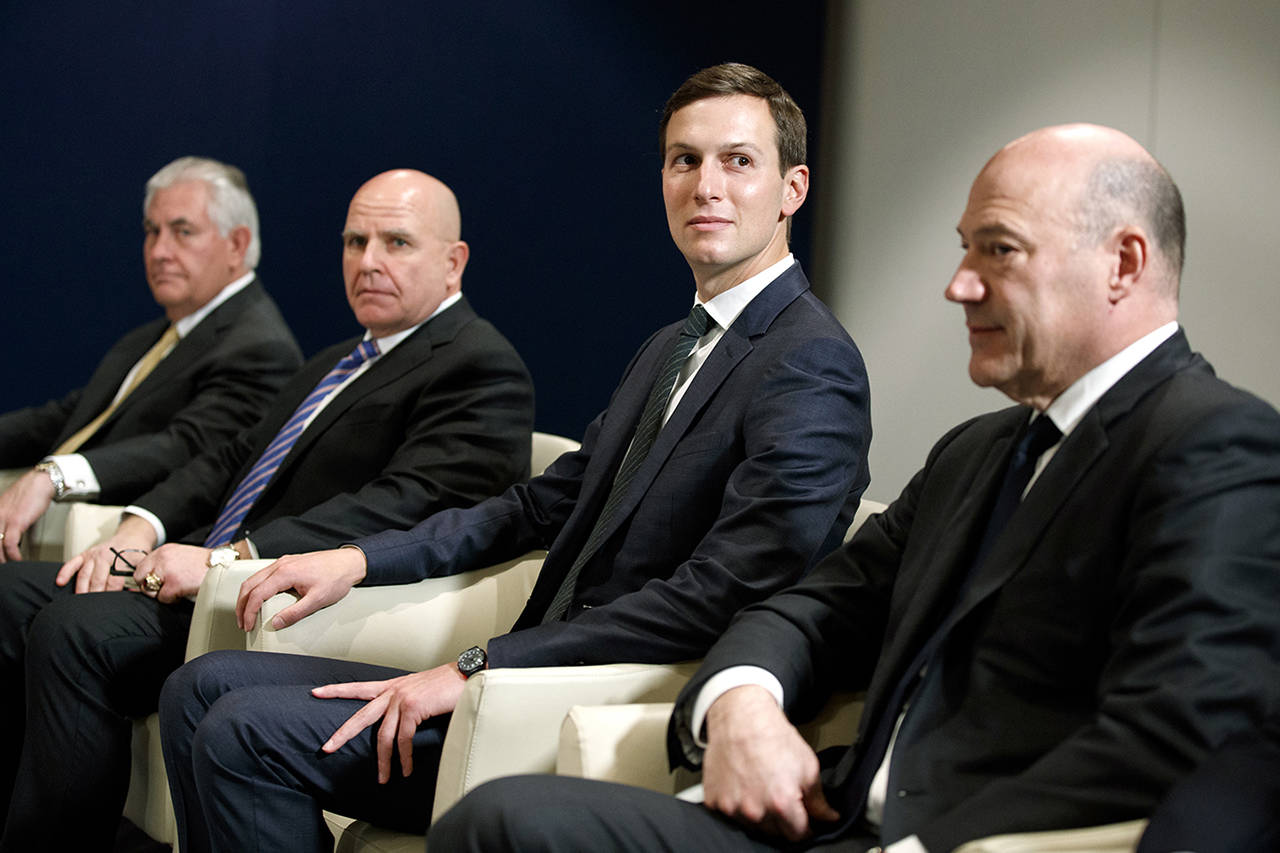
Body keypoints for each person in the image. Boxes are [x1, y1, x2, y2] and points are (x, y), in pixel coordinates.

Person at [429, 124, 1280, 852]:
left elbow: (1175, 730)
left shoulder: (1217, 445)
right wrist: (746, 703)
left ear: (1123, 263)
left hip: (962, 838)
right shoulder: (978, 450)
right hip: (825, 820)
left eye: (1000, 250)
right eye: (964, 248)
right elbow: (812, 605)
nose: (959, 284)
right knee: (501, 819)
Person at [158, 62, 872, 852]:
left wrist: (473, 665)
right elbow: (535, 505)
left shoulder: (811, 363)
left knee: (242, 731)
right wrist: (356, 560)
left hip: (582, 702)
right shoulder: (671, 345)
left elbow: (724, 595)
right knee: (199, 685)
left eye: (738, 160)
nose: (706, 184)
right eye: (684, 159)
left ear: (793, 188)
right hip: (520, 672)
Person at [0, 169, 535, 850]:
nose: (367, 261)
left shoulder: (480, 364)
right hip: (201, 568)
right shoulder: (337, 359)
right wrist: (141, 525)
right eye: (354, 241)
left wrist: (229, 559)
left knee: (73, 629)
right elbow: (229, 458)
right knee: (10, 594)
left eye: (395, 242)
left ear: (453, 261)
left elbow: (409, 503)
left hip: (268, 598)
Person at [0, 156, 302, 561]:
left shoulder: (260, 347)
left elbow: (186, 448)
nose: (159, 251)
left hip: (121, 536)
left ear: (237, 245)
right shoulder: (156, 334)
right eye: (152, 231)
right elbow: (67, 417)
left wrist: (55, 475)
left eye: (183, 232)